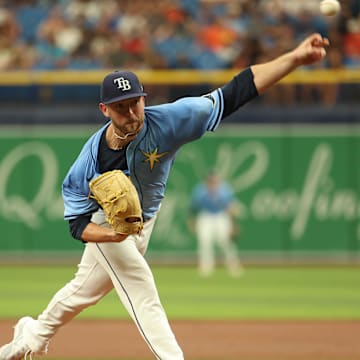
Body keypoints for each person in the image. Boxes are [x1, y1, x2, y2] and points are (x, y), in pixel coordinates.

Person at [0, 33, 329, 360]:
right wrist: (112, 235)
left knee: (82, 292)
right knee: (141, 288)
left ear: (144, 98)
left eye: (135, 103)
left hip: (145, 222)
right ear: (104, 109)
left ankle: (28, 338)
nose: (130, 113)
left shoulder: (172, 120)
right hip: (106, 224)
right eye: (120, 107)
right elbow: (76, 224)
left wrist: (295, 59)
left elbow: (238, 90)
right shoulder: (89, 163)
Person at [189, 171, 242, 277]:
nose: (213, 183)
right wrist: (192, 222)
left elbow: (231, 208)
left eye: (214, 181)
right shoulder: (200, 191)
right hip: (206, 216)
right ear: (207, 181)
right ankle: (206, 268)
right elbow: (193, 209)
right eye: (210, 181)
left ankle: (233, 266)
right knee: (205, 242)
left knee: (225, 242)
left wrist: (234, 224)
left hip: (221, 216)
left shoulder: (224, 190)